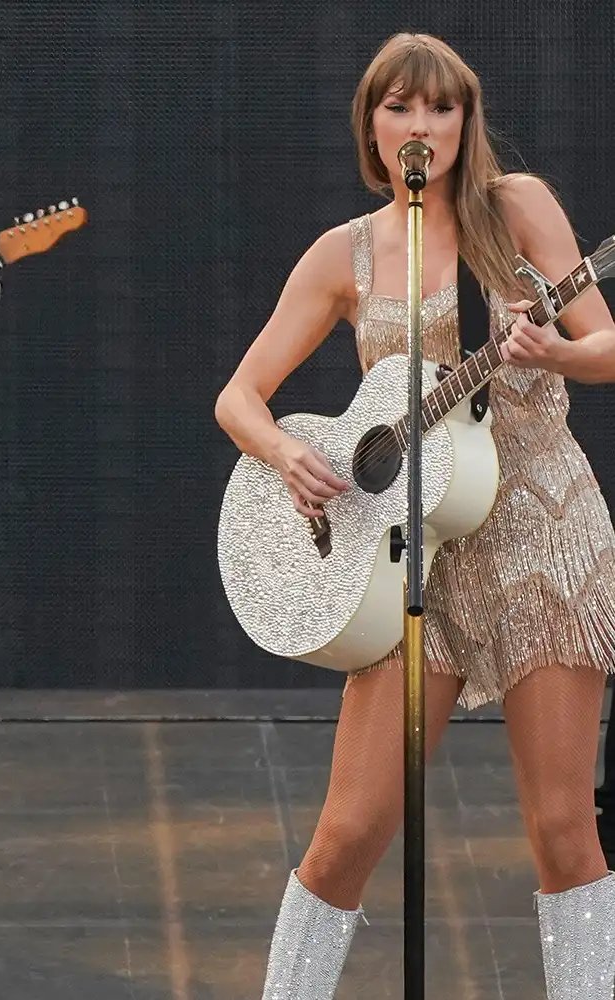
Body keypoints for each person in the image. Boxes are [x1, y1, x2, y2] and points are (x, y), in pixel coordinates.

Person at [214, 33, 615, 998]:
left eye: (440, 107)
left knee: (562, 827)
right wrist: (286, 454)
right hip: (406, 556)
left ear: (465, 122)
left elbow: (604, 341)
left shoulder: (517, 209)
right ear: (372, 126)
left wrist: (554, 355)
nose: (421, 124)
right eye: (400, 106)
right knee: (348, 831)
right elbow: (238, 396)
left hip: (542, 534)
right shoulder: (343, 253)